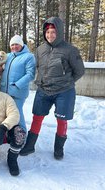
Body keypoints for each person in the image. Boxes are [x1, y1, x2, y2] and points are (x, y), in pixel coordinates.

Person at [19, 17, 85, 160]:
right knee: (37, 117)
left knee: (61, 120)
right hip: (44, 89)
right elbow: (34, 66)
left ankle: (58, 149)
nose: (50, 35)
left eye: (53, 32)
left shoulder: (70, 50)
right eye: (48, 32)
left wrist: (66, 82)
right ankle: (30, 146)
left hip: (64, 91)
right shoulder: (40, 49)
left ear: (59, 32)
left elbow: (79, 71)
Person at [0, 34, 36, 131]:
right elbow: (0, 69)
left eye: (17, 44)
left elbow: (31, 74)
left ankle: (22, 137)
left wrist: (17, 85)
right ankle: (11, 135)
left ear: (21, 45)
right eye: (12, 45)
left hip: (17, 93)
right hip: (4, 92)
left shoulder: (29, 57)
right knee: (6, 116)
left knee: (17, 115)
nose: (14, 47)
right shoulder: (7, 56)